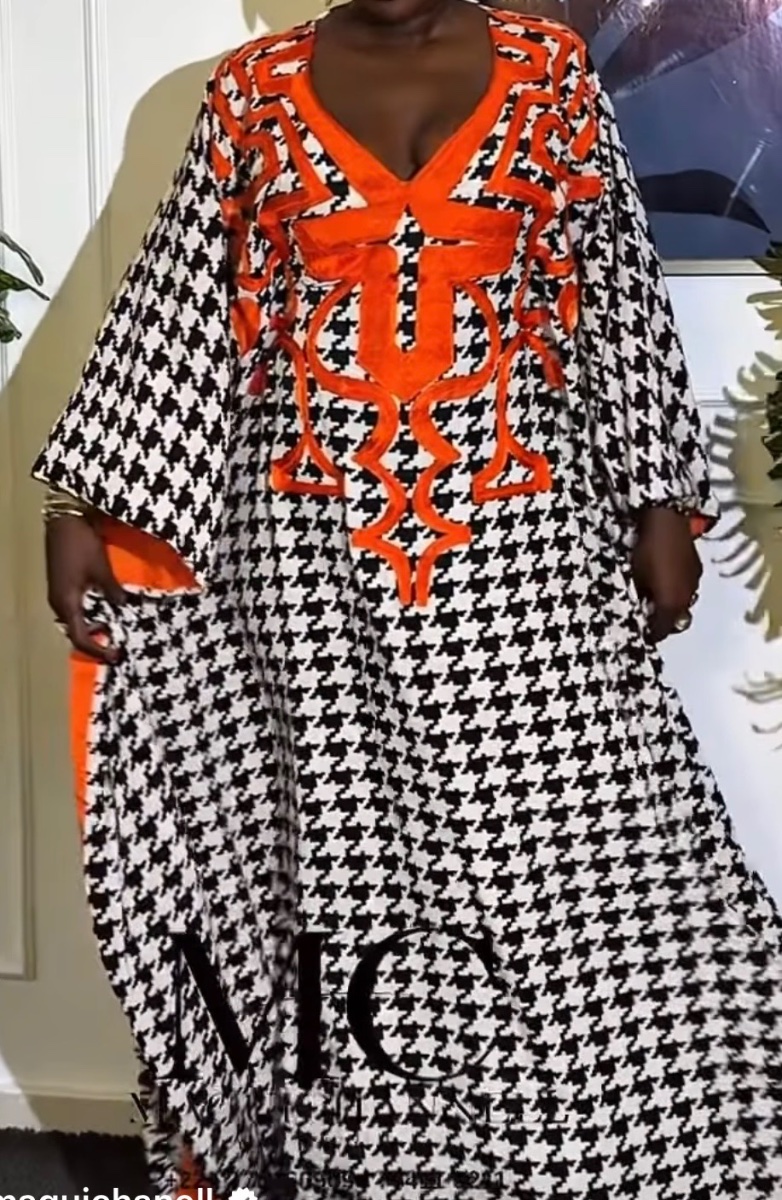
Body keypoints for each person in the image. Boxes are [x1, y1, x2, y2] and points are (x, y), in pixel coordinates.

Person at [33, 0, 782, 1195]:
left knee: (571, 849)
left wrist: (655, 501)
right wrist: (83, 506)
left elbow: (614, 290)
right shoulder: (251, 94)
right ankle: (377, 1158)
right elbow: (182, 308)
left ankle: (607, 1147)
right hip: (304, 552)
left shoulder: (546, 75)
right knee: (347, 857)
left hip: (524, 539)